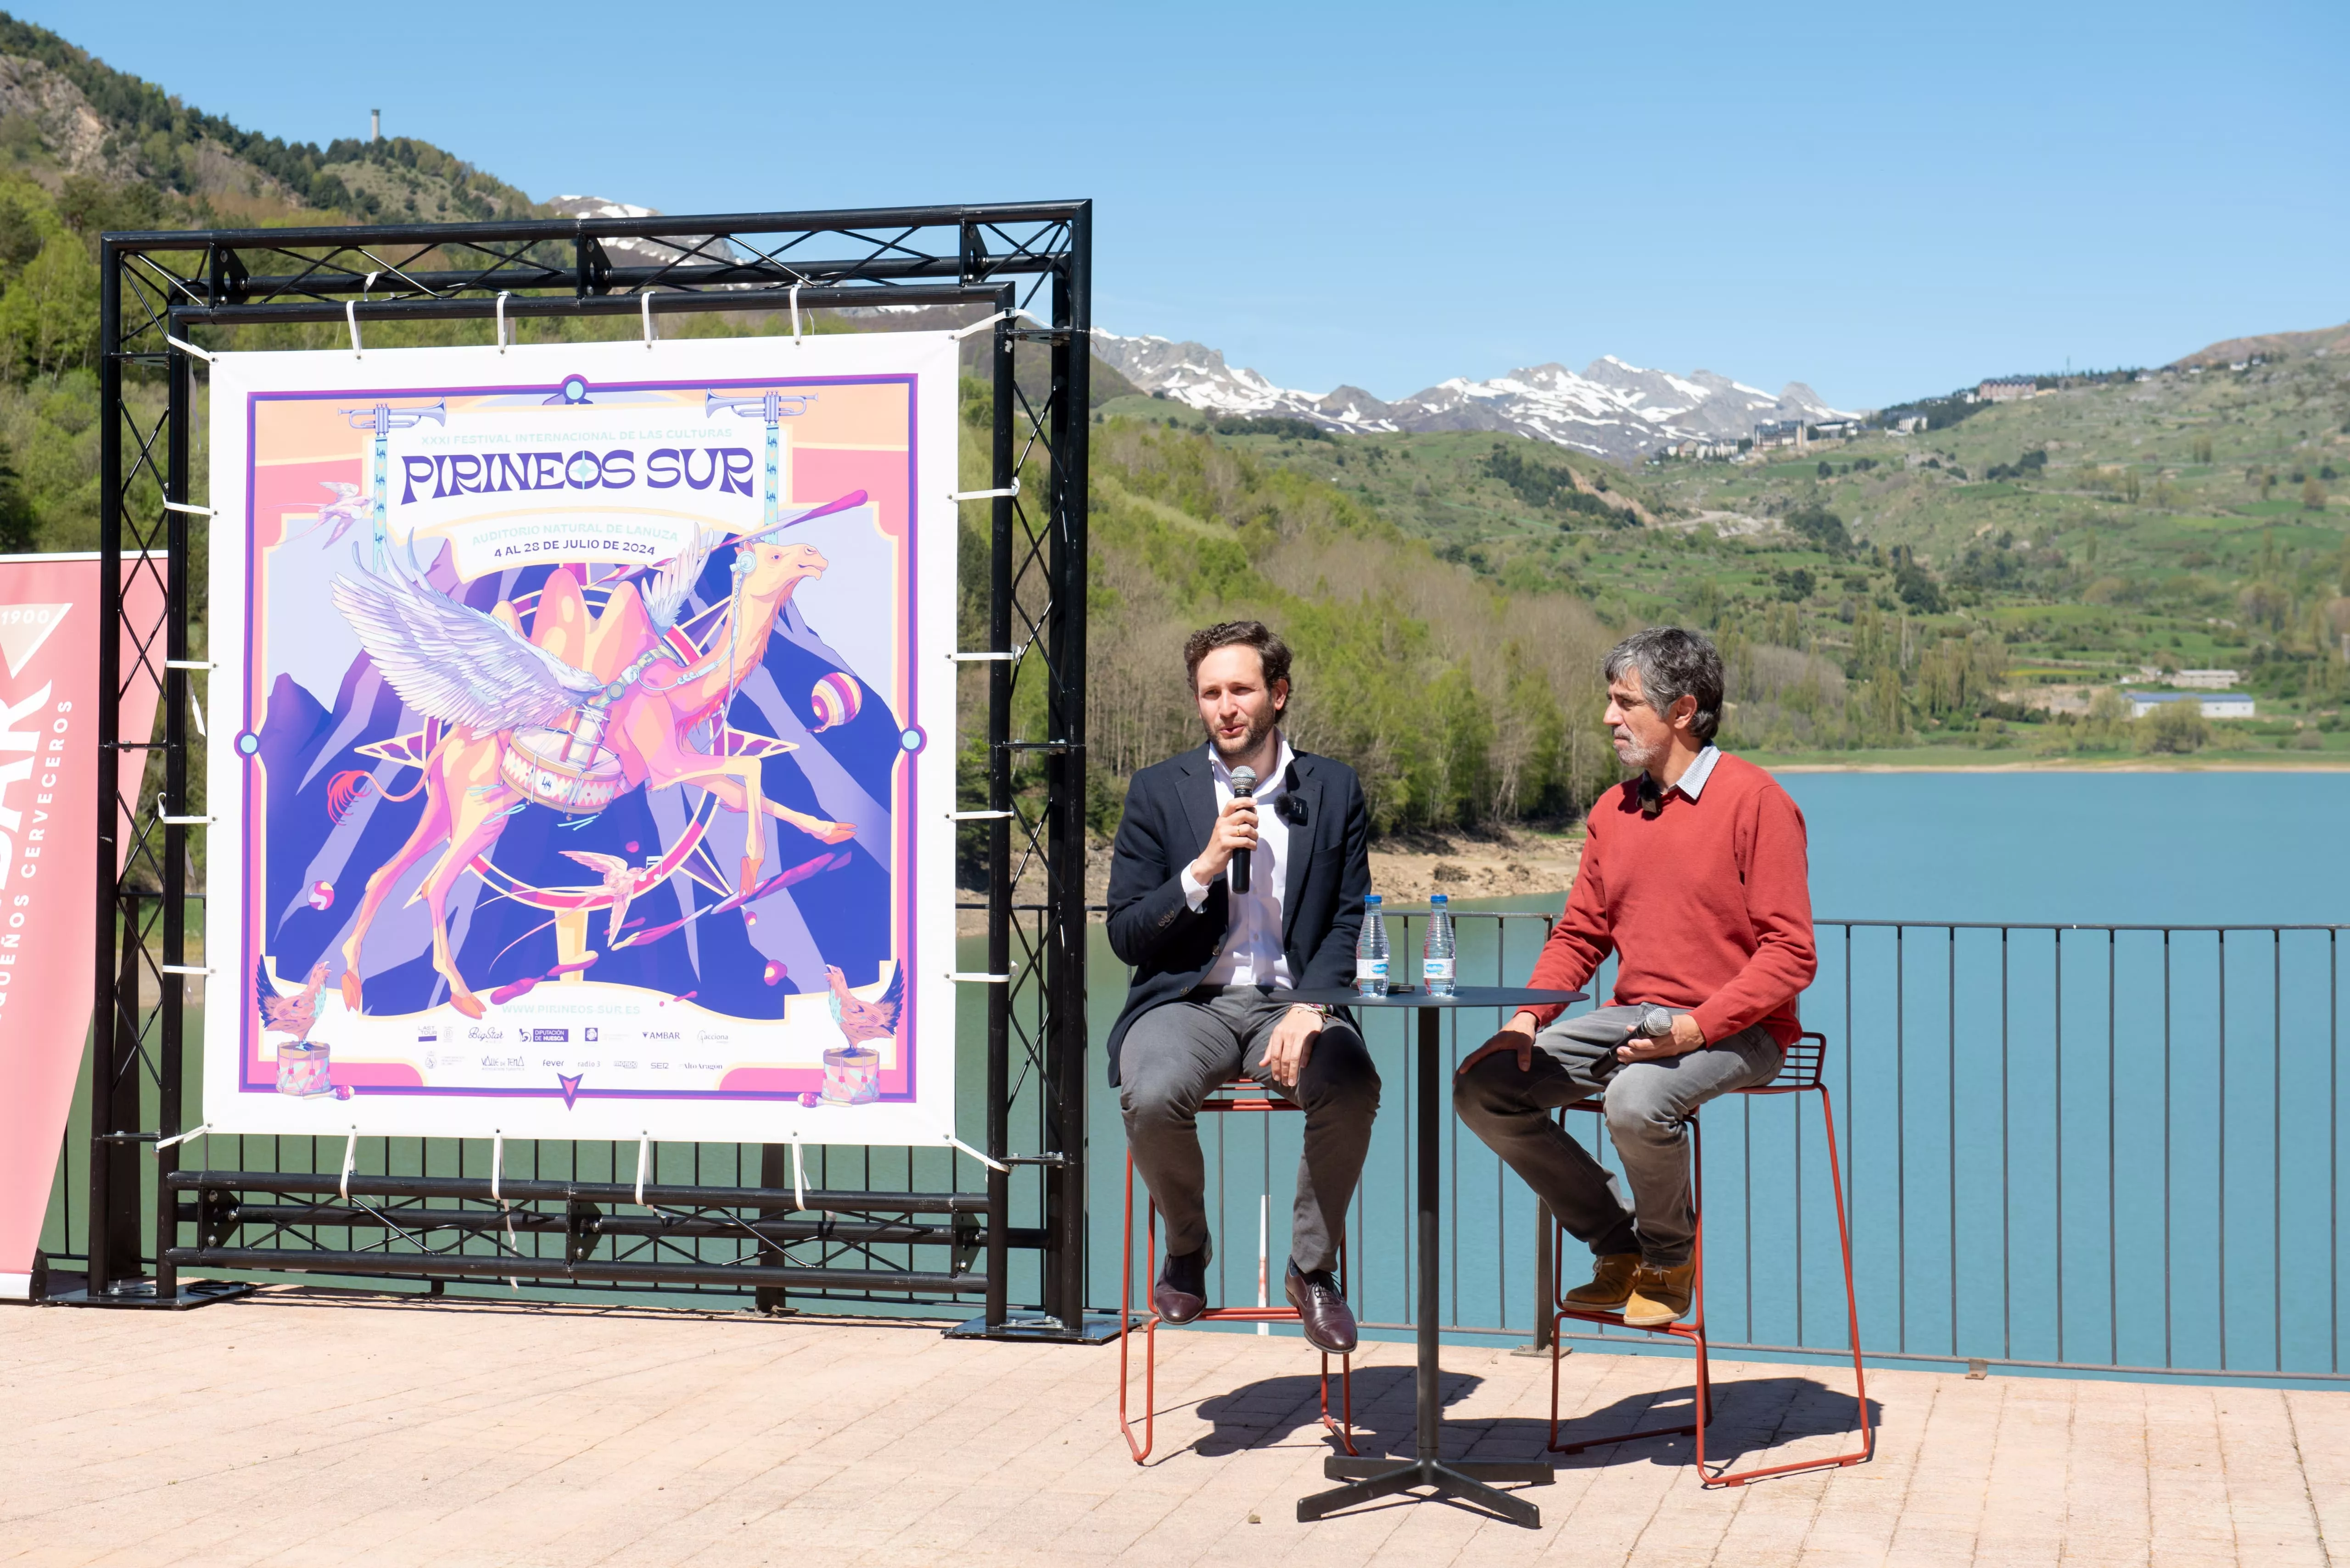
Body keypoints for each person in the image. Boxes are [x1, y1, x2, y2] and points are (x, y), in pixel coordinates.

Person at [1453, 627, 1816, 1327]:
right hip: (1637, 1018)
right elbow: (1581, 935)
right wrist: (1525, 1021)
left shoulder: (1757, 802)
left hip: (1741, 1028)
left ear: (1682, 710)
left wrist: (1696, 1028)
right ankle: (1617, 1245)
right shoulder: (1613, 810)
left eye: (1625, 703)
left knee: (1635, 1097)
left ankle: (1669, 1257)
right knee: (1484, 1086)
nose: (1608, 717)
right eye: (1610, 701)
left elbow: (1791, 954)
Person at [1106, 620, 1379, 1354]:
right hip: (1186, 1003)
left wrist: (1313, 1005)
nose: (1225, 708)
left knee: (1351, 1082)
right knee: (1151, 1092)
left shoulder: (1333, 788)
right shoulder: (1158, 791)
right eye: (1210, 694)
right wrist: (1201, 869)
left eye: (1241, 690)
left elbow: (1347, 917)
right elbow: (1126, 934)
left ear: (1278, 694)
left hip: (1291, 1004)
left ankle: (1311, 1270)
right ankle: (1187, 1246)